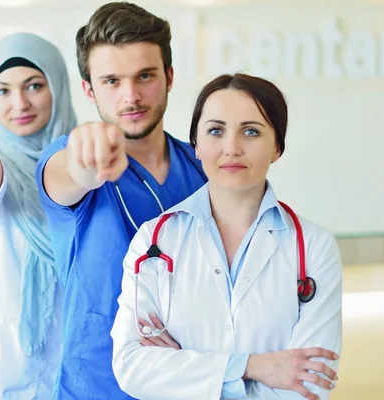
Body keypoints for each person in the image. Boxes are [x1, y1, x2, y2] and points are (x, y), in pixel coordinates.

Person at [111, 73, 342, 400]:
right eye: (216, 131)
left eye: (251, 131)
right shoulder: (155, 241)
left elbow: (311, 381)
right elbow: (131, 367)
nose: (231, 148)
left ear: (277, 147)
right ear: (197, 146)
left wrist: (182, 367)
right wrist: (253, 366)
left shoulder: (315, 247)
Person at [35, 2, 207, 398]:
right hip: (96, 387)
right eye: (111, 81)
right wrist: (85, 161)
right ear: (88, 90)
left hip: (188, 381)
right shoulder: (68, 159)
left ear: (169, 77)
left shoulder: (201, 168)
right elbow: (69, 175)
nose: (131, 96)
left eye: (144, 76)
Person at [0, 32, 77, 398]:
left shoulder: (89, 167)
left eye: (34, 86)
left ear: (58, 86)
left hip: (76, 369)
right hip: (2, 376)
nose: (19, 103)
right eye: (3, 91)